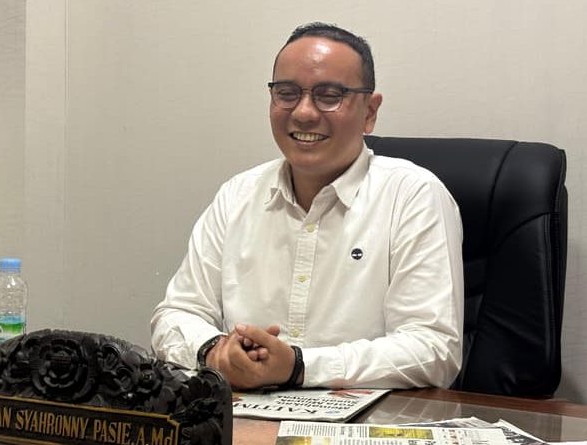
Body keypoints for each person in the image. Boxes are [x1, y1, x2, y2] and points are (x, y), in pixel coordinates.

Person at [150, 22, 463, 390]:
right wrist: (215, 351)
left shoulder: (413, 195)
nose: (303, 112)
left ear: (370, 111)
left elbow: (434, 349)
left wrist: (298, 366)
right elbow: (175, 314)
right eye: (287, 93)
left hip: (372, 418)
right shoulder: (238, 194)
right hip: (245, 414)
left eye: (329, 96)